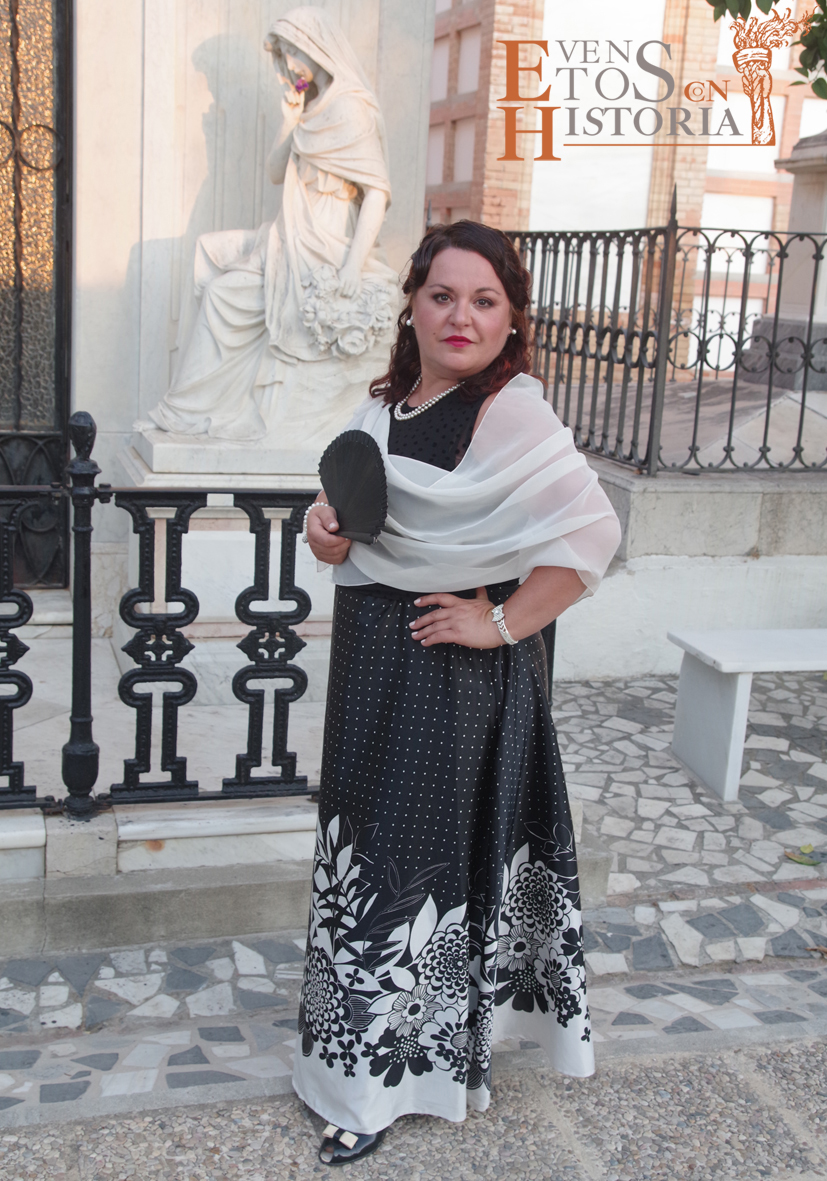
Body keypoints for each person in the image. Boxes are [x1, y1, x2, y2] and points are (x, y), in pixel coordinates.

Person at [296, 221, 622, 1166]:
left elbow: (591, 534)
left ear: (511, 316)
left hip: (454, 681)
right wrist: (325, 533)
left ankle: (377, 1087)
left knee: (412, 868)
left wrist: (501, 622)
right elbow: (355, 523)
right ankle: (355, 1060)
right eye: (442, 295)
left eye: (484, 300)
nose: (461, 316)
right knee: (363, 856)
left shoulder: (509, 411)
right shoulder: (385, 406)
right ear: (412, 303)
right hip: (372, 668)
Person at [148, 6, 397, 444]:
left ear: (315, 48)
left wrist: (353, 266)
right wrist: (290, 119)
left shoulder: (351, 109)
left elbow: (376, 192)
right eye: (282, 55)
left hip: (324, 243)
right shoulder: (312, 107)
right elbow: (275, 171)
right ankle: (192, 408)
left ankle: (188, 409)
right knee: (208, 252)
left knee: (223, 295)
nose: (288, 64)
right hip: (288, 236)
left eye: (291, 52)